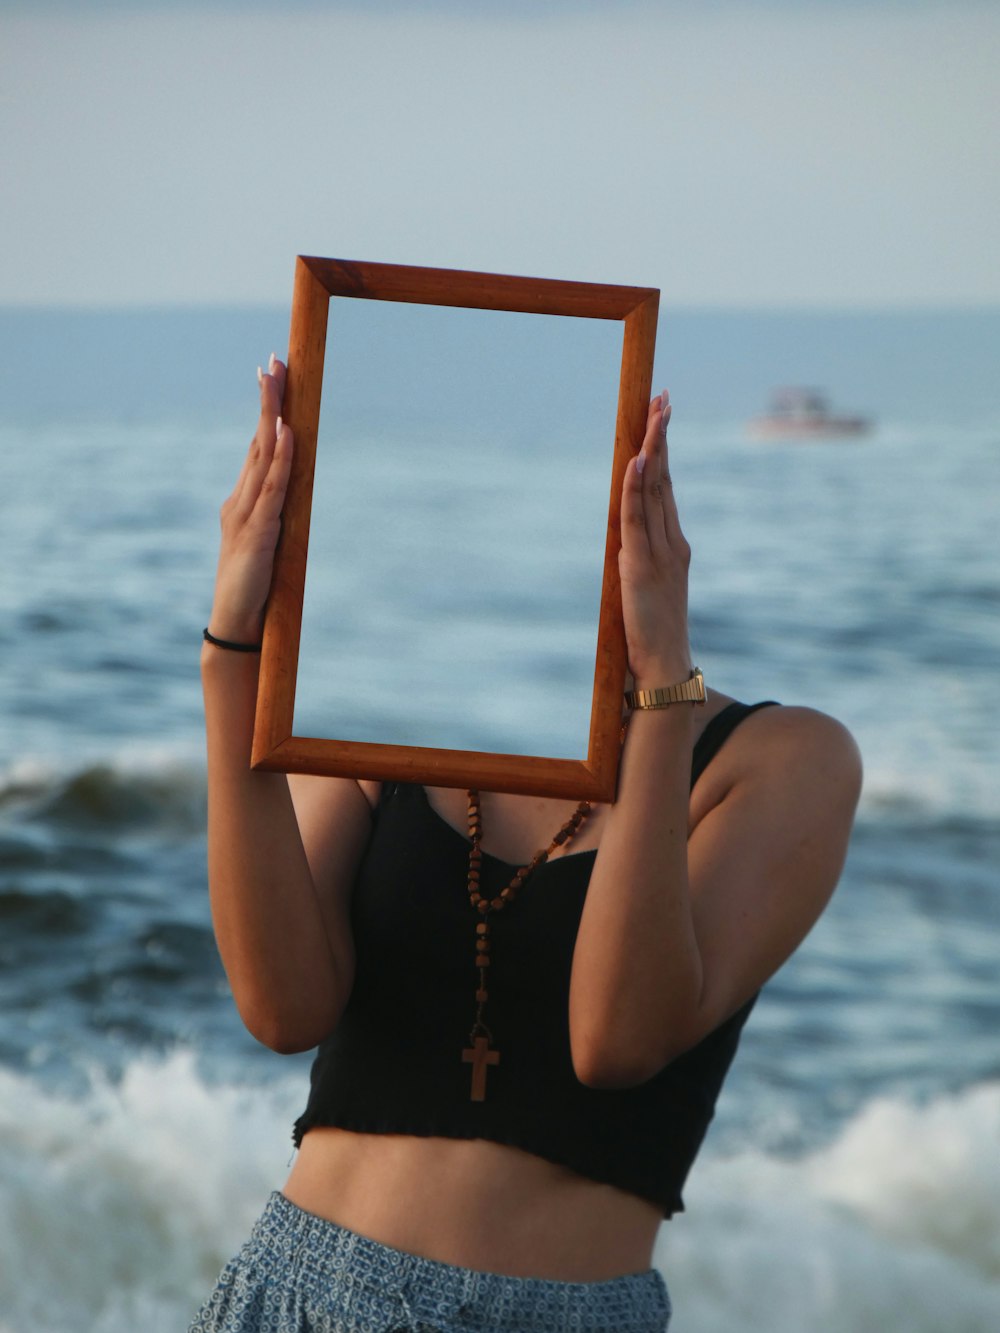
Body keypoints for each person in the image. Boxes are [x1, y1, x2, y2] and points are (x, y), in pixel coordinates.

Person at [191, 355, 862, 1333]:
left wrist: (660, 690)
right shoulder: (393, 713)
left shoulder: (780, 759)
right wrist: (235, 652)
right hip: (307, 1291)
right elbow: (280, 1004)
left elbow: (616, 1039)